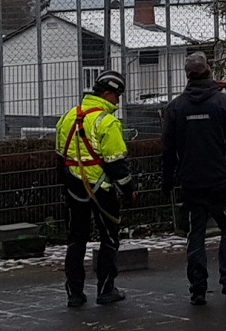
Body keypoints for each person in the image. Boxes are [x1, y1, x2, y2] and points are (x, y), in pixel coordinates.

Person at [161, 52, 226, 306]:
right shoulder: (223, 104)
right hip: (220, 182)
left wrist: (167, 181)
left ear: (187, 75)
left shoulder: (176, 107)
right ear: (209, 72)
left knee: (195, 232)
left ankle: (198, 288)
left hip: (191, 183)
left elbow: (168, 150)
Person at [56, 70, 133, 307]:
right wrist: (129, 190)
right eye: (117, 96)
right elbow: (116, 163)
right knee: (109, 238)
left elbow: (60, 155)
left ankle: (75, 293)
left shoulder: (69, 116)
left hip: (74, 189)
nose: (118, 102)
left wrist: (68, 183)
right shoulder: (107, 121)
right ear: (107, 93)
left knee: (75, 240)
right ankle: (106, 289)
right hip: (102, 190)